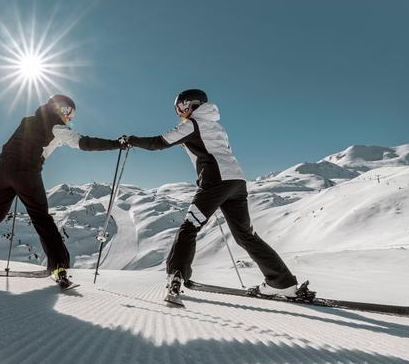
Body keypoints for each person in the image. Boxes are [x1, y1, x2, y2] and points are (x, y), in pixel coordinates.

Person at [125, 89, 301, 297]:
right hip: (236, 182)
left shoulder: (191, 124)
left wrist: (131, 140)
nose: (179, 112)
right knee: (246, 235)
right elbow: (212, 150)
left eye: (180, 107)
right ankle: (282, 282)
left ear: (190, 105)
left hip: (216, 182)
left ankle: (176, 275)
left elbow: (159, 142)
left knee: (189, 228)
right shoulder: (216, 126)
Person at [0, 94, 125, 287]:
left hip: (2, 170)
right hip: (26, 172)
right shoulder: (56, 126)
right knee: (42, 218)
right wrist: (116, 144)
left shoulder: (29, 121)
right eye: (69, 112)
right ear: (60, 108)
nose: (70, 117)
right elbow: (83, 143)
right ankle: (59, 267)